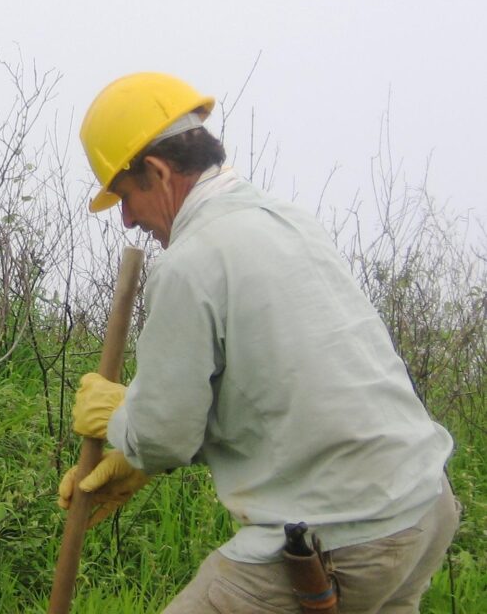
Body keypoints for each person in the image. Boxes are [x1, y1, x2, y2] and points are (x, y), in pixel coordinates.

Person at [58, 72, 460, 612]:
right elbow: (276, 396)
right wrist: (138, 453)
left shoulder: (191, 261)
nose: (127, 219)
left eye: (126, 196)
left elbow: (162, 437)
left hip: (343, 534)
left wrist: (126, 421)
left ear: (156, 171)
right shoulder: (289, 222)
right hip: (424, 508)